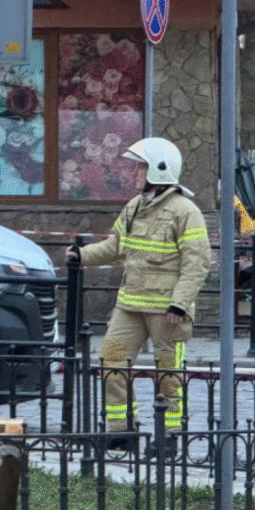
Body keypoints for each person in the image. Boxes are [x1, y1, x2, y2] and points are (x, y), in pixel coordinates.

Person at [66, 137, 211, 449]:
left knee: (169, 375)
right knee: (111, 360)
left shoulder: (186, 211)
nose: (133, 172)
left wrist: (180, 303)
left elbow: (198, 263)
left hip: (168, 310)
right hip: (130, 303)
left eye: (140, 167)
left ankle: (170, 437)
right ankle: (121, 430)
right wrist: (81, 255)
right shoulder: (134, 207)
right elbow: (115, 245)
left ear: (159, 170)